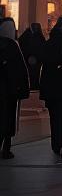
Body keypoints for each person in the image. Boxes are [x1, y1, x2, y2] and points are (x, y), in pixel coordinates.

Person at [40, 16, 62, 158]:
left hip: (51, 85)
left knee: (56, 117)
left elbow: (46, 62)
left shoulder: (51, 42)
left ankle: (58, 145)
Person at [0, 15, 30, 159]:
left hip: (6, 90)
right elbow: (20, 70)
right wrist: (23, 88)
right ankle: (6, 148)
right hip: (11, 91)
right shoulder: (13, 46)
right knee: (8, 120)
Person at [18, 22, 45, 93]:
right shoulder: (28, 34)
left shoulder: (34, 35)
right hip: (30, 59)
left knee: (34, 73)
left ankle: (33, 85)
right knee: (32, 73)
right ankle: (33, 85)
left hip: (34, 59)